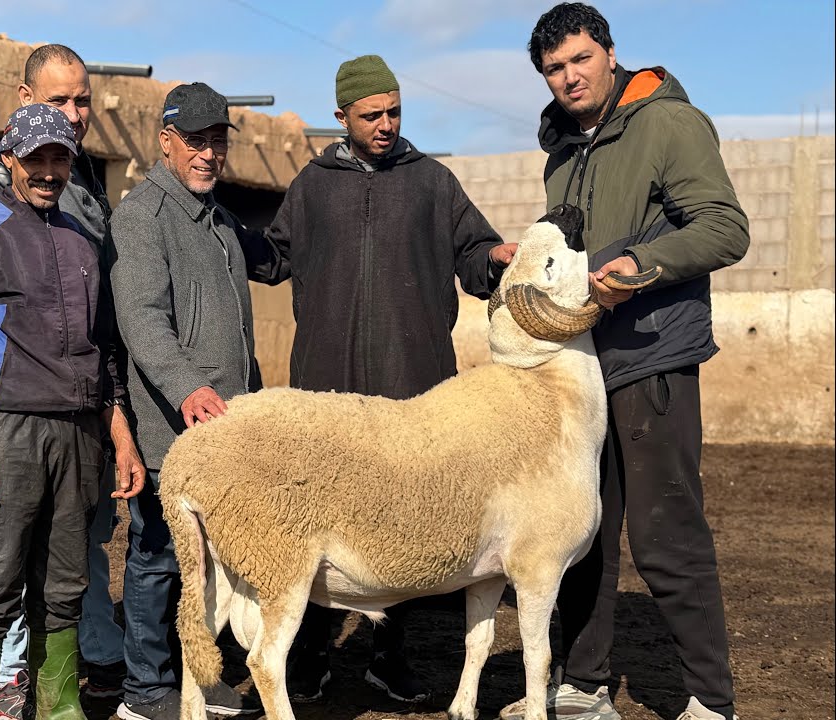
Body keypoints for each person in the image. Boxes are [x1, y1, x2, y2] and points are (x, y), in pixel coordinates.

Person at [500, 5, 751, 720]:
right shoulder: (563, 153)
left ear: (611, 54)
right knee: (582, 529)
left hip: (652, 357)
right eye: (554, 68)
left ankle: (710, 698)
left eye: (580, 59)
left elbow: (725, 226)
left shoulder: (667, 124)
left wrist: (644, 263)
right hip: (582, 368)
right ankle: (583, 685)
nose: (569, 76)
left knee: (664, 530)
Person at [258, 54, 516, 706]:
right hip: (328, 387)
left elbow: (472, 252)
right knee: (317, 516)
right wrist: (222, 236)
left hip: (415, 384)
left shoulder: (432, 182)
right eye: (372, 114)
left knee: (407, 521)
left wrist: (494, 257)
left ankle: (389, 657)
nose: (387, 123)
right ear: (341, 116)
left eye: (395, 111)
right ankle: (312, 653)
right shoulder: (312, 186)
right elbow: (275, 254)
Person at [0, 103, 145, 720]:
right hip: (6, 429)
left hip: (79, 434)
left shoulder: (82, 244)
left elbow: (103, 352)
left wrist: (120, 436)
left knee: (66, 584)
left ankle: (57, 709)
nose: (49, 171)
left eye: (59, 158)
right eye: (36, 159)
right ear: (10, 161)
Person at [107, 83, 275, 720]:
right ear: (166, 142)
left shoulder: (220, 219)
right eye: (196, 142)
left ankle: (200, 681)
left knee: (210, 561)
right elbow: (143, 321)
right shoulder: (143, 216)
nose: (209, 154)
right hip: (170, 427)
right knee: (156, 556)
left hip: (227, 427)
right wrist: (187, 387)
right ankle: (144, 690)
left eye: (218, 141)